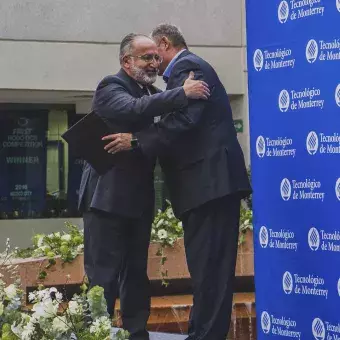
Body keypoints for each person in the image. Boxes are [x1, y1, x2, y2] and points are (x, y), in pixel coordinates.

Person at [103, 24, 252, 340]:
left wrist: (137, 141)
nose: (154, 65)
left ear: (164, 44)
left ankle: (206, 335)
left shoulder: (186, 66)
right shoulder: (181, 74)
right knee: (207, 267)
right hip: (207, 187)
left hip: (209, 184)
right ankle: (201, 333)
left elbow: (184, 121)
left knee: (210, 268)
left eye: (154, 56)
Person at [78, 33, 210, 340]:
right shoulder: (110, 87)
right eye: (146, 57)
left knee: (136, 273)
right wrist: (182, 93)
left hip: (138, 200)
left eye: (155, 57)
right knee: (102, 276)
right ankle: (95, 333)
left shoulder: (151, 91)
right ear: (127, 61)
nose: (154, 63)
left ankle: (137, 332)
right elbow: (135, 109)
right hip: (105, 200)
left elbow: (158, 130)